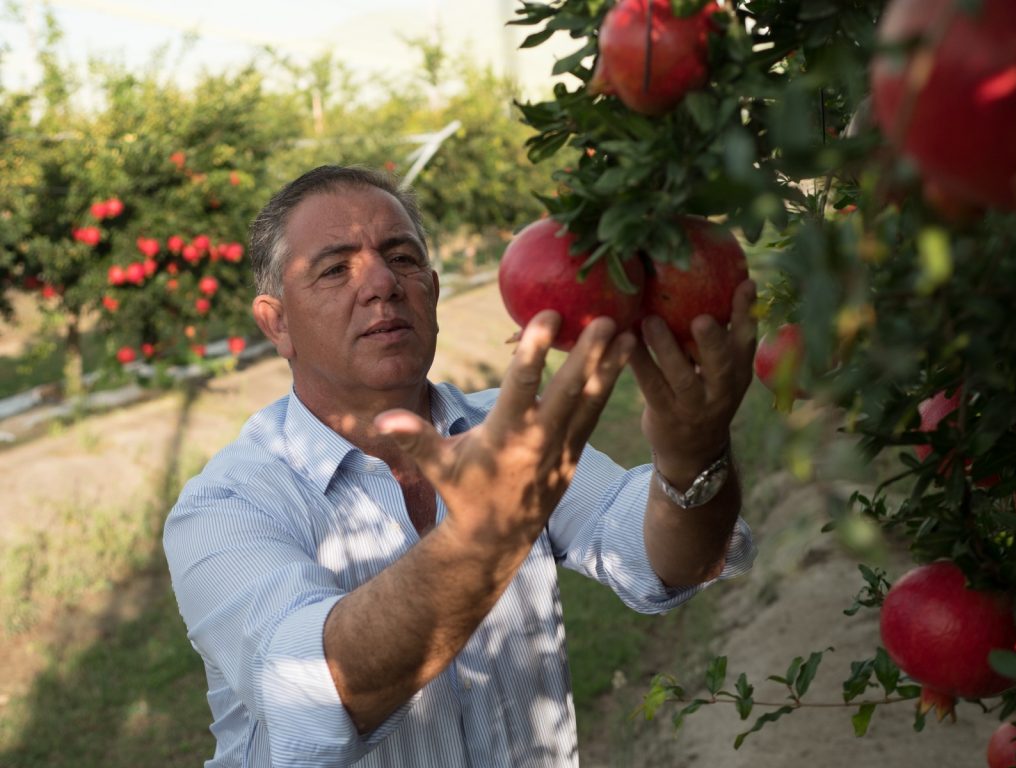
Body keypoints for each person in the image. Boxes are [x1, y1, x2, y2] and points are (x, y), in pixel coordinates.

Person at [163, 164, 759, 768]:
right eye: (335, 268)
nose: (381, 283)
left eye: (401, 257)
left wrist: (693, 460)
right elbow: (315, 688)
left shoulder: (506, 431)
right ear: (277, 323)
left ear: (434, 289)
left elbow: (665, 562)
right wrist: (488, 533)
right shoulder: (225, 509)